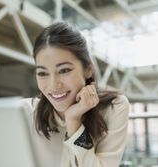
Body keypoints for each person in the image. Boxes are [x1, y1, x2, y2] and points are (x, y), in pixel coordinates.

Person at [22, 22, 130, 167]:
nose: (53, 85)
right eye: (42, 73)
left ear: (88, 70)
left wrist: (73, 120)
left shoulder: (114, 106)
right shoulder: (25, 111)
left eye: (64, 70)